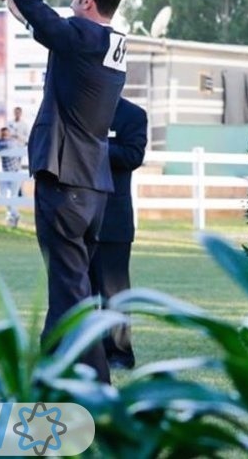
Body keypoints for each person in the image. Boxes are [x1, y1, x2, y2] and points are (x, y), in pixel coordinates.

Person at [0, 0, 127, 382]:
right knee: (68, 286)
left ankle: (98, 389)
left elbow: (37, 6)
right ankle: (49, 375)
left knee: (70, 291)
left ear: (88, 1)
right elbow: (57, 37)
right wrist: (23, 15)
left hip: (66, 183)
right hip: (92, 190)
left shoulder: (83, 38)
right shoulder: (110, 46)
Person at [88, 97, 147, 370]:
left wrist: (92, 146)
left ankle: (119, 354)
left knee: (115, 294)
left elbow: (133, 156)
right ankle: (84, 353)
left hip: (113, 219)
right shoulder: (77, 108)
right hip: (76, 218)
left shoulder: (132, 115)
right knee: (78, 292)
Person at [0, 126, 22, 227]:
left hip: (14, 173)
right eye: (3, 134)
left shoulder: (12, 142)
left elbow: (8, 145)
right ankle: (14, 215)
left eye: (6, 134)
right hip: (2, 173)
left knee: (12, 196)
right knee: (1, 196)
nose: (5, 136)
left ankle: (11, 217)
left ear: (9, 134)